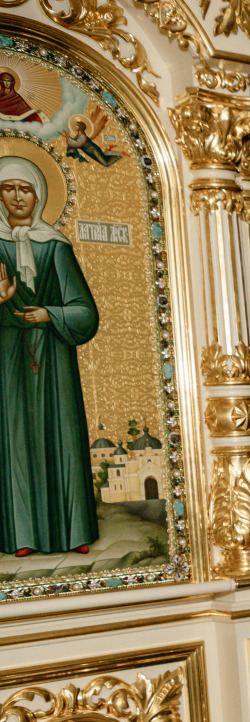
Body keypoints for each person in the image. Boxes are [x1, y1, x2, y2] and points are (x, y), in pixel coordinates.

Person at [0, 156, 98, 556]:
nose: (17, 196)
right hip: (7, 354)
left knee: (62, 437)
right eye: (8, 188)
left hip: (54, 354)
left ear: (39, 195)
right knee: (16, 438)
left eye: (25, 189)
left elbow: (85, 311)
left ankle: (72, 532)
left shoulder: (56, 247)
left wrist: (51, 314)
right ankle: (20, 534)